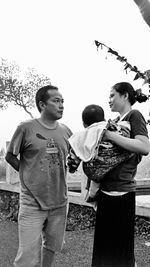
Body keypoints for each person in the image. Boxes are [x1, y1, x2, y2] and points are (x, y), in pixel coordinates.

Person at [5, 85, 72, 267]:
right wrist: (28, 172)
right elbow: (10, 156)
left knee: (51, 247)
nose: (61, 105)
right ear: (42, 105)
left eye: (62, 101)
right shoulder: (26, 128)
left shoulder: (66, 131)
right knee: (27, 257)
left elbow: (73, 158)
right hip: (32, 202)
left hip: (59, 201)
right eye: (56, 101)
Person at [91, 82, 150, 267]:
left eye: (112, 95)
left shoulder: (134, 115)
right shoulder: (114, 122)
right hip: (106, 190)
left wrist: (110, 136)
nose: (109, 100)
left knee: (121, 250)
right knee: (104, 248)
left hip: (122, 192)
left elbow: (144, 147)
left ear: (124, 95)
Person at [67, 104, 133, 203]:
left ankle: (92, 194)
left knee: (96, 177)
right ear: (104, 118)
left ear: (84, 124)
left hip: (96, 171)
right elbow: (126, 134)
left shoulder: (82, 136)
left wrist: (72, 168)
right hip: (117, 166)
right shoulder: (112, 128)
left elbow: (73, 158)